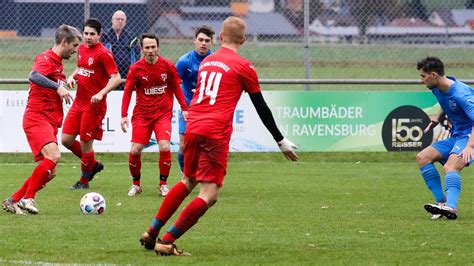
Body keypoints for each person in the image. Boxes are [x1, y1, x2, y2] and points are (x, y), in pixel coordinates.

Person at [139, 16, 298, 256]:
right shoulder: (244, 66)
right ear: (243, 40)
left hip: (193, 126)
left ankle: (151, 231)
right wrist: (280, 140)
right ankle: (167, 240)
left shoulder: (208, 62)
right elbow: (261, 106)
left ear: (221, 37)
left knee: (187, 180)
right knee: (209, 195)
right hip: (215, 133)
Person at [2, 25, 82, 215]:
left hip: (49, 120)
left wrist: (65, 83)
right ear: (64, 42)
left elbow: (54, 81)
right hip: (37, 118)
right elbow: (34, 75)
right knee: (54, 157)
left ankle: (13, 200)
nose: (75, 50)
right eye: (74, 45)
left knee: (50, 172)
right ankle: (28, 198)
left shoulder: (58, 65)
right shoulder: (45, 58)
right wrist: (58, 87)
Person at [121, 33, 189, 197]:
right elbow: (128, 92)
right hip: (142, 115)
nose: (151, 50)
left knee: (165, 146)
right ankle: (136, 185)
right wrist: (123, 115)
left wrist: (184, 108)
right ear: (142, 49)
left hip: (162, 114)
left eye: (153, 47)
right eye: (147, 47)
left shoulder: (167, 66)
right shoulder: (136, 69)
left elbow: (177, 88)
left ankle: (163, 185)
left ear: (158, 47)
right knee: (135, 150)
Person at [62, 18, 122, 190]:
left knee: (85, 143)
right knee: (66, 139)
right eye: (86, 33)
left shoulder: (103, 53)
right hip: (78, 103)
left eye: (92, 34)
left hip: (93, 106)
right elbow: (81, 68)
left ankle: (84, 181)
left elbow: (116, 78)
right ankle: (93, 164)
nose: (88, 37)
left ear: (99, 35)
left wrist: (101, 93)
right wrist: (73, 77)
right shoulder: (81, 49)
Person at [416, 56, 474, 220]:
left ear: (434, 75)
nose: (421, 80)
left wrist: (470, 146)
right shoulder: (437, 88)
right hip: (458, 136)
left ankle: (451, 207)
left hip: (470, 136)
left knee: (451, 166)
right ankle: (441, 204)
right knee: (423, 157)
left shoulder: (461, 94)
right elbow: (445, 102)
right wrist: (437, 118)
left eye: (423, 76)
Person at [175, 25, 214, 172]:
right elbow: (175, 84)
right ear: (194, 41)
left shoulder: (215, 61)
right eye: (201, 40)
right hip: (188, 108)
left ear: (211, 42)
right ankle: (185, 174)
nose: (203, 43)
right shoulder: (184, 61)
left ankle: (206, 176)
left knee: (207, 145)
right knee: (184, 145)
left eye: (207, 40)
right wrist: (183, 106)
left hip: (208, 109)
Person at [101, 10, 140, 90]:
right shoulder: (104, 35)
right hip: (109, 72)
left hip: (126, 73)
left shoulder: (131, 37)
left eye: (122, 19)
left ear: (125, 22)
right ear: (112, 20)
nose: (120, 21)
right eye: (117, 19)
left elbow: (137, 54)